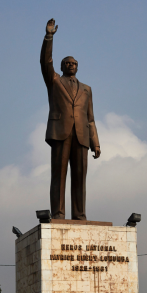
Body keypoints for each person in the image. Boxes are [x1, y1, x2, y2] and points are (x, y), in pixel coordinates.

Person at [41, 18, 101, 220]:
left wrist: (96, 143)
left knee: (80, 178)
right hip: (61, 132)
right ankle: (58, 213)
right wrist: (49, 37)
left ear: (77, 67)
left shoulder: (87, 89)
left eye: (74, 63)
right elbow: (45, 62)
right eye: (67, 63)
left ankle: (80, 215)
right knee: (58, 176)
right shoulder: (55, 81)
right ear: (62, 66)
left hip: (82, 136)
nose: (71, 65)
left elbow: (91, 118)